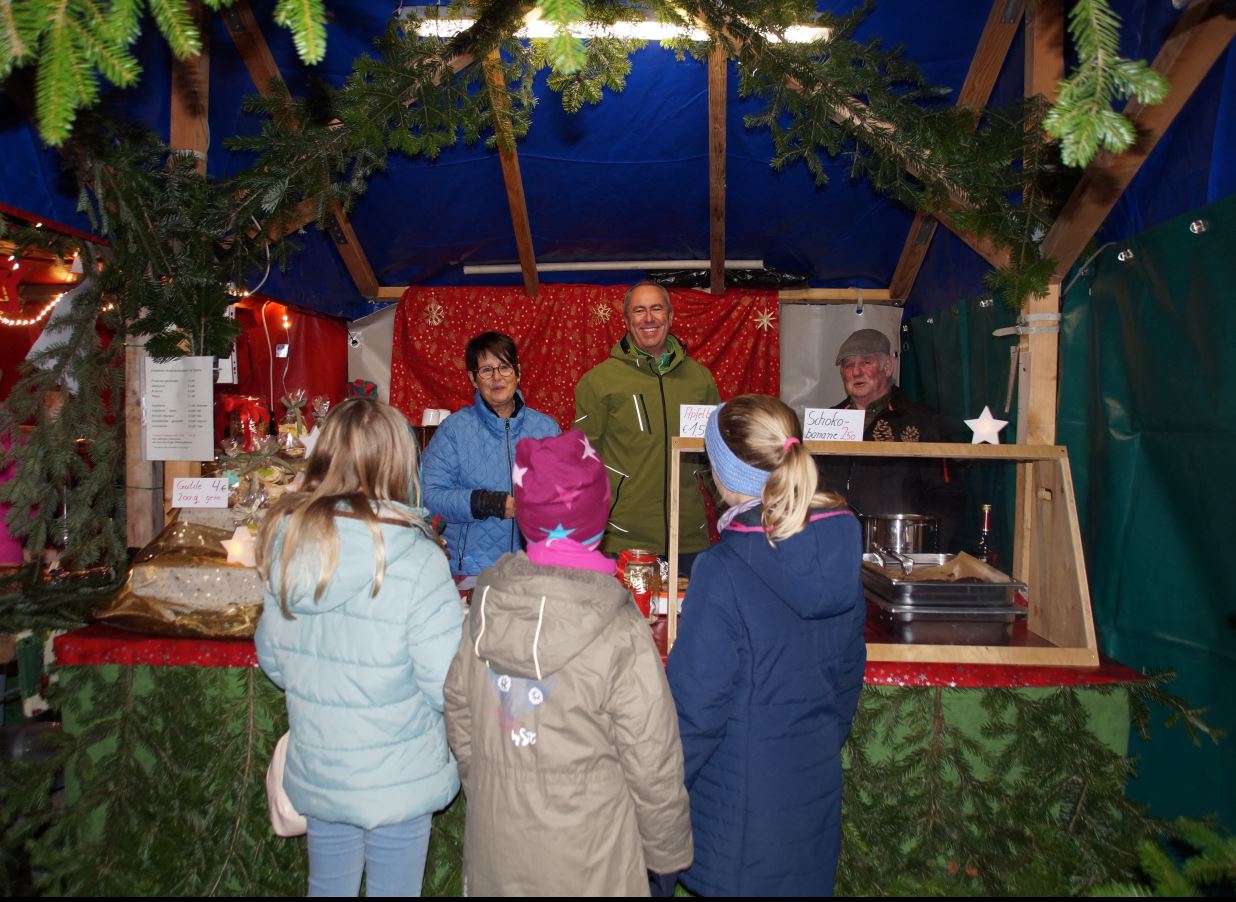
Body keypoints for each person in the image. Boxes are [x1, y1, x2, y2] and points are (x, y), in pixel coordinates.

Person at [443, 429, 693, 896]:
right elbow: (651, 754)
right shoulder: (621, 628)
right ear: (600, 514)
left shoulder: (486, 611)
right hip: (591, 861)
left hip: (499, 846)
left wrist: (489, 782)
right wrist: (666, 851)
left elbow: (458, 708)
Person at [254, 398, 464, 897]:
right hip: (400, 775)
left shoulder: (289, 545)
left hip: (323, 764)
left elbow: (274, 660)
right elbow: (446, 681)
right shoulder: (418, 559)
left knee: (328, 888)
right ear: (400, 463)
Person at [667, 395, 866, 897]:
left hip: (738, 820)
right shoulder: (840, 548)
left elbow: (694, 714)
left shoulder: (723, 570)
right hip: (810, 800)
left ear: (722, 472)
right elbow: (847, 679)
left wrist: (657, 800)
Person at [574, 282, 720, 564]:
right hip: (625, 540)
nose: (649, 318)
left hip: (688, 538)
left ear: (671, 316)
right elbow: (582, 460)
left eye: (656, 309)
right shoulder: (599, 381)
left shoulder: (700, 379)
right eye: (639, 310)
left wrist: (736, 516)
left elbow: (714, 458)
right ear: (627, 320)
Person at [422, 332, 559, 577]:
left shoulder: (547, 429)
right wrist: (482, 502)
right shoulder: (454, 430)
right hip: (472, 570)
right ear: (473, 379)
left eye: (504, 367)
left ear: (518, 373)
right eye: (486, 370)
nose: (497, 377)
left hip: (534, 569)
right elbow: (428, 497)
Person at [821, 327, 962, 548]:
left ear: (888, 367)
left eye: (866, 362)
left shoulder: (924, 422)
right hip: (834, 547)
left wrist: (929, 551)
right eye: (848, 365)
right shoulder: (826, 422)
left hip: (900, 550)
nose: (856, 372)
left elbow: (945, 497)